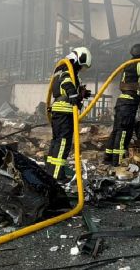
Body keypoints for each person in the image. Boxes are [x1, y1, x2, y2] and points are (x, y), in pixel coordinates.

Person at [45, 47, 92, 181]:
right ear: (78, 59)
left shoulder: (61, 69)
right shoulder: (67, 70)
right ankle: (57, 176)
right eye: (81, 65)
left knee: (56, 141)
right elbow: (66, 82)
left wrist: (80, 93)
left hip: (59, 110)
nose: (81, 68)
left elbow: (63, 85)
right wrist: (73, 93)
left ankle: (50, 172)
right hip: (64, 111)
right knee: (63, 143)